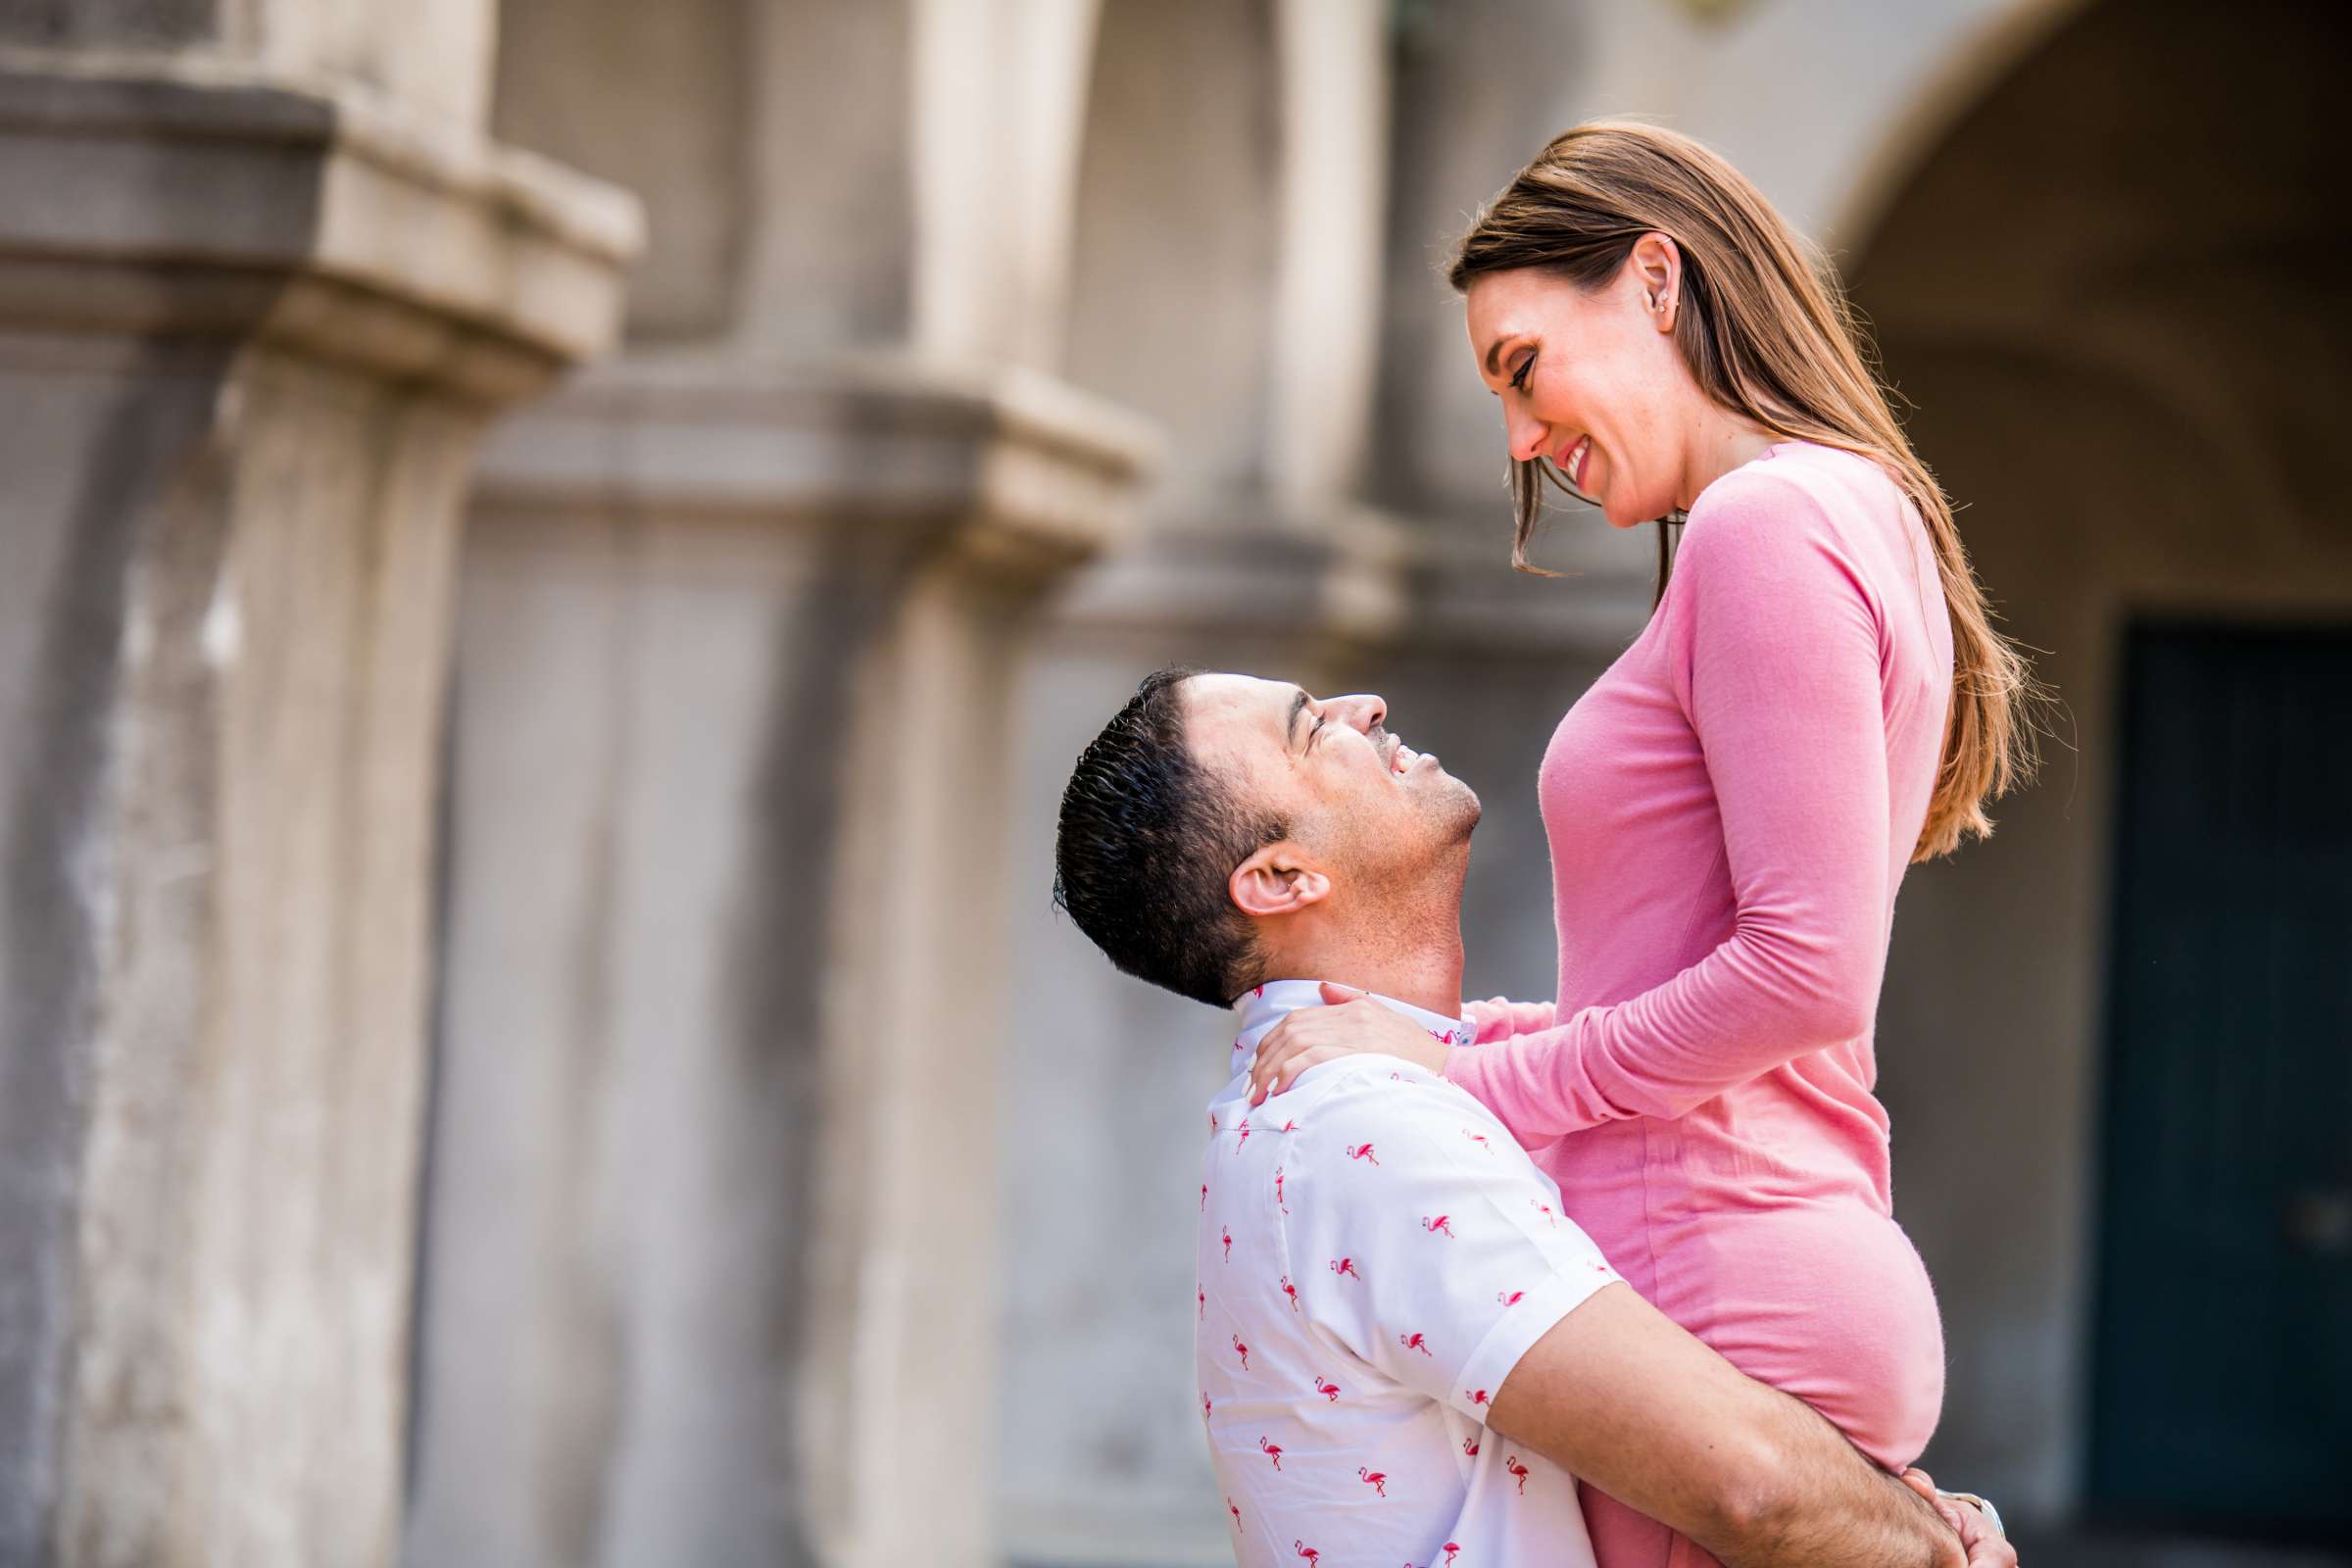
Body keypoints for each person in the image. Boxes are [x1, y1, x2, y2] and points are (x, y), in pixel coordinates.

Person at [1241, 122, 2039, 1568]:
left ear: (1655, 280)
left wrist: (1474, 1074)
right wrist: (1447, 1029)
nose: (1520, 440)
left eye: (1521, 367)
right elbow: (1687, 975)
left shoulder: (1765, 524)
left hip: (1711, 1282)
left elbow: (1802, 979)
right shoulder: (1849, 512)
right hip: (1748, 1262)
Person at [1052, 668, 2012, 1568]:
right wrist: (1937, 1547)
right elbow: (1748, 1483)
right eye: (1312, 726)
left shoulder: (1373, 1096)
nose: (1366, 705)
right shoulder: (1364, 1129)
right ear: (1281, 877)